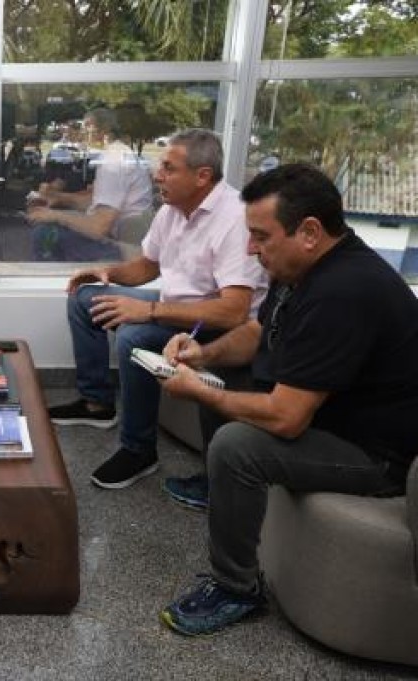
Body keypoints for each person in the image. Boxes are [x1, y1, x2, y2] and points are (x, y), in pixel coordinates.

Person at [157, 163, 418, 636]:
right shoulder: (297, 267)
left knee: (236, 446)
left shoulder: (346, 291)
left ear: (310, 232)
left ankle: (236, 588)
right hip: (331, 415)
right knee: (221, 374)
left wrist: (199, 391)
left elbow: (286, 418)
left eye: (260, 236)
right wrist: (202, 355)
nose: (250, 248)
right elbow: (259, 332)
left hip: (374, 454)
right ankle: (225, 498)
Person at [47, 128, 268, 489]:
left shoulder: (236, 220)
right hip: (176, 308)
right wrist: (106, 273)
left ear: (202, 176)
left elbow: (233, 312)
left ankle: (138, 450)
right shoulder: (172, 210)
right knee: (85, 297)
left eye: (168, 168)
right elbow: (148, 266)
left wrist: (148, 312)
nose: (157, 174)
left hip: (216, 325)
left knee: (133, 336)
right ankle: (96, 403)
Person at [28, 107, 154, 261]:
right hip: (125, 238)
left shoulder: (113, 162)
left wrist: (54, 215)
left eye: (86, 126)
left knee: (46, 233)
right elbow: (95, 202)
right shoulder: (118, 154)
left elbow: (98, 227)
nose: (82, 131)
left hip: (124, 250)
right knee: (57, 225)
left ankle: (47, 276)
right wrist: (58, 197)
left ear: (100, 130)